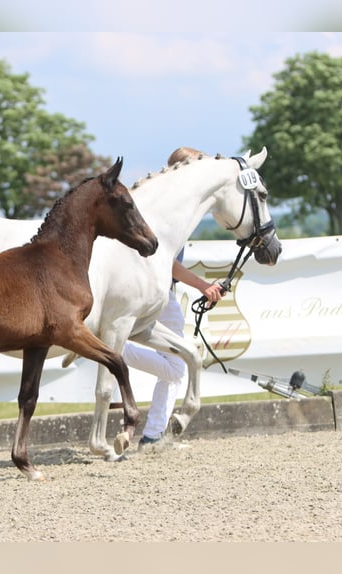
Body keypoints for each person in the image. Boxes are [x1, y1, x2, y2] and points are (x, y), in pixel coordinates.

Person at [122, 146, 227, 450]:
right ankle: (115, 351)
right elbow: (162, 261)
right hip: (156, 294)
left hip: (161, 292)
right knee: (177, 365)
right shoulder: (162, 209)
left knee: (174, 368)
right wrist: (202, 285)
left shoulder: (170, 207)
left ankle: (154, 435)